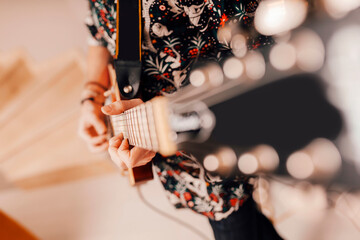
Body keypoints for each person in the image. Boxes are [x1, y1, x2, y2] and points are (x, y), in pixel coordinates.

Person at [79, 0, 282, 239]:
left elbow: (264, 45)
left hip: (225, 141)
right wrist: (91, 95)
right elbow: (99, 34)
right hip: (188, 168)